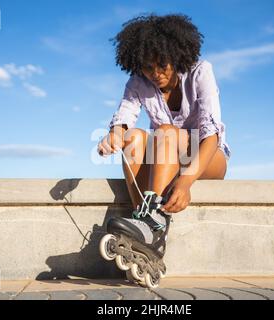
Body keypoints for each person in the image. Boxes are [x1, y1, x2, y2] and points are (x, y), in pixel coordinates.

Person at [97, 13, 231, 215]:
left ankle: (152, 221)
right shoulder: (137, 83)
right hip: (165, 161)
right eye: (148, 67)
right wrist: (114, 136)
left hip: (207, 157)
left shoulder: (201, 72)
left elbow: (211, 136)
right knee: (132, 137)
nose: (156, 74)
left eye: (162, 65)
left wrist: (185, 183)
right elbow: (125, 115)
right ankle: (142, 218)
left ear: (176, 58)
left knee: (166, 132)